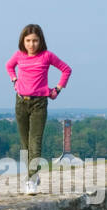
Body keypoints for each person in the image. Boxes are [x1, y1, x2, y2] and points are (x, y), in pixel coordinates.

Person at [6, 24, 71, 194]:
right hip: (21, 102)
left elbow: (66, 69)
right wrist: (14, 80)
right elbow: (8, 66)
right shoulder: (19, 56)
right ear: (23, 41)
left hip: (39, 104)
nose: (31, 44)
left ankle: (31, 179)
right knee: (25, 144)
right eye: (28, 41)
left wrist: (57, 89)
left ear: (40, 41)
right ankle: (32, 174)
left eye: (35, 40)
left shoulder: (46, 56)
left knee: (35, 142)